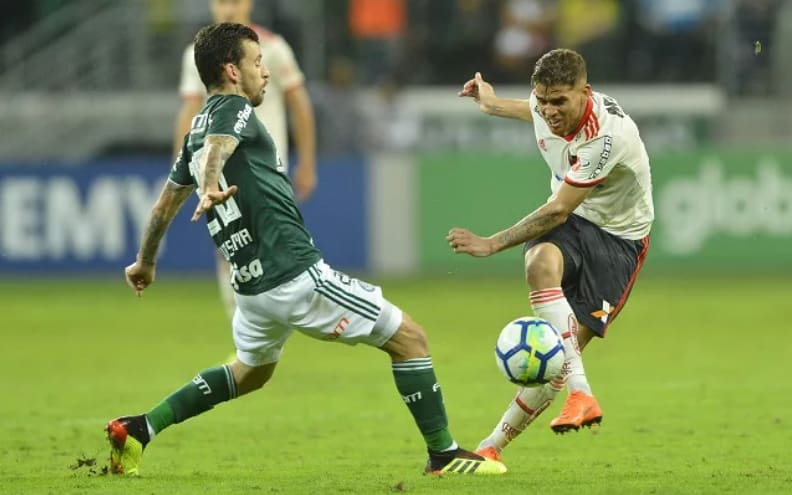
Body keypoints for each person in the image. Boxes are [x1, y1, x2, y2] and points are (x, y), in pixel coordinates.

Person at [107, 23, 506, 477]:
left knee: (251, 372)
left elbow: (162, 207)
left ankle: (139, 428)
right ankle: (444, 455)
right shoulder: (230, 112)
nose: (265, 73)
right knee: (410, 339)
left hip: (251, 290)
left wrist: (145, 261)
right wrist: (213, 180)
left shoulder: (193, 133)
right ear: (231, 71)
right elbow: (222, 144)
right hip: (292, 276)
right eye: (257, 63)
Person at [453, 48, 653, 463]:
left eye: (559, 101)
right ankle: (575, 399)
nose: (548, 111)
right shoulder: (545, 103)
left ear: (585, 92)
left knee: (558, 362)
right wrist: (487, 101)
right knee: (540, 264)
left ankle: (494, 445)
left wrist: (492, 243)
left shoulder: (605, 135)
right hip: (577, 218)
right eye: (542, 100)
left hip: (619, 239)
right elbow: (523, 109)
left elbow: (558, 209)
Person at [174, 0, 317, 321]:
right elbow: (189, 111)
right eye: (221, 2)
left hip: (264, 167)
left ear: (249, 4)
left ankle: (270, 323)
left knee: (272, 244)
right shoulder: (197, 55)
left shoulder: (274, 48)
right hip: (220, 167)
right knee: (231, 247)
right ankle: (245, 328)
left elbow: (299, 104)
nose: (227, 10)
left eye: (234, 2)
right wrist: (181, 168)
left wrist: (307, 162)